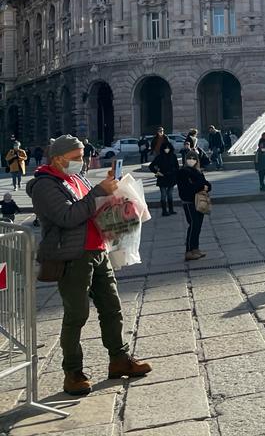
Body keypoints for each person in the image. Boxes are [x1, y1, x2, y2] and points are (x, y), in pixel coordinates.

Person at [26, 135, 152, 395]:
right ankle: (72, 372)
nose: (81, 162)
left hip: (97, 249)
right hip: (73, 256)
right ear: (59, 158)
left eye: (82, 157)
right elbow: (67, 216)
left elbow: (91, 206)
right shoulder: (45, 185)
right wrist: (98, 192)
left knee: (112, 306)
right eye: (76, 158)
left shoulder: (77, 178)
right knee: (77, 314)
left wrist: (111, 192)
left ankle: (119, 359)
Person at [177, 150, 211, 261]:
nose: (191, 160)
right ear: (186, 160)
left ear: (197, 160)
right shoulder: (183, 172)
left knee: (198, 226)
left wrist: (205, 186)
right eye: (189, 158)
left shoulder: (198, 172)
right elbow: (188, 188)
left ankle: (195, 248)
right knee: (193, 224)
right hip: (189, 202)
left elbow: (207, 184)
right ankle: (189, 251)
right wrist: (202, 186)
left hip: (199, 202)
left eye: (194, 158)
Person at [149, 142, 179, 216]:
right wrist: (157, 172)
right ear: (163, 149)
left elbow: (177, 167)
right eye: (165, 148)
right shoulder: (159, 157)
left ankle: (171, 210)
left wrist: (175, 174)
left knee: (170, 194)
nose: (167, 149)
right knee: (163, 194)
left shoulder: (173, 156)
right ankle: (164, 211)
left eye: (168, 148)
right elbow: (151, 166)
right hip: (162, 177)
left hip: (171, 177)